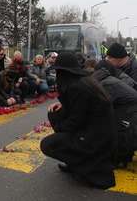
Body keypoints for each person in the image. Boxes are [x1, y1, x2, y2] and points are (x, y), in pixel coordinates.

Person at [40, 52, 117, 189]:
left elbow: (75, 121)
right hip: (98, 133)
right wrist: (62, 109)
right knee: (55, 115)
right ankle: (75, 161)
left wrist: (59, 131)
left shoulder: (77, 87)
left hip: (95, 138)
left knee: (48, 144)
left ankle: (83, 166)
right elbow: (80, 111)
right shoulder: (83, 82)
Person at [93, 60, 137, 165]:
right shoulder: (111, 79)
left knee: (112, 127)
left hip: (131, 116)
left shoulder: (106, 84)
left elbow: (99, 107)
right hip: (130, 113)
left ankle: (122, 155)